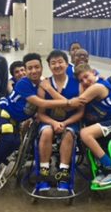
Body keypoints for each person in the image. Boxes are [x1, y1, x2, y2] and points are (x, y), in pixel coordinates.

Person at [0, 53, 85, 180]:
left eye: (37, 67)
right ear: (25, 70)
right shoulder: (24, 83)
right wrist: (69, 102)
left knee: (16, 143)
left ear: (42, 68)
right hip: (3, 112)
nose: (33, 71)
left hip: (15, 119)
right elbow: (42, 103)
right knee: (8, 139)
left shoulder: (42, 83)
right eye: (29, 68)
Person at [37, 50, 84, 191]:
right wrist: (53, 123)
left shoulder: (78, 83)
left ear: (66, 63)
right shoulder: (43, 84)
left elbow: (80, 112)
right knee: (46, 132)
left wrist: (64, 123)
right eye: (53, 63)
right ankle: (44, 171)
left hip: (70, 121)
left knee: (69, 134)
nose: (57, 65)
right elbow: (40, 114)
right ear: (49, 66)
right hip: (49, 121)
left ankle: (64, 172)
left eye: (60, 62)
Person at [74, 63, 111, 186]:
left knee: (85, 133)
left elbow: (76, 102)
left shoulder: (96, 86)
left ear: (93, 72)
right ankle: (106, 167)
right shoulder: (100, 82)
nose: (85, 81)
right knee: (87, 134)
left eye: (86, 77)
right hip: (108, 121)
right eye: (81, 80)